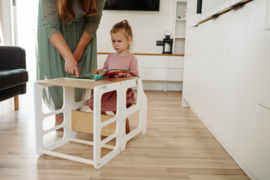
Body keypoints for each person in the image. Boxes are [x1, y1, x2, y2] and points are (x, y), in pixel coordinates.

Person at [37, 0, 106, 131]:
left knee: (81, 73)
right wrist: (68, 57)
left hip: (83, 29)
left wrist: (79, 50)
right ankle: (60, 114)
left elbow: (93, 21)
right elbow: (51, 25)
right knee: (57, 72)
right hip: (55, 30)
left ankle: (74, 112)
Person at [88, 20, 138, 134]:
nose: (116, 44)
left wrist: (126, 74)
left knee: (117, 110)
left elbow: (135, 75)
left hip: (121, 91)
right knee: (94, 104)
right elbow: (106, 68)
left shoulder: (132, 59)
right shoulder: (111, 56)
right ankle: (107, 124)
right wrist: (100, 71)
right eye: (113, 41)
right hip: (107, 90)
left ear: (129, 40)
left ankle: (124, 129)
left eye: (119, 41)